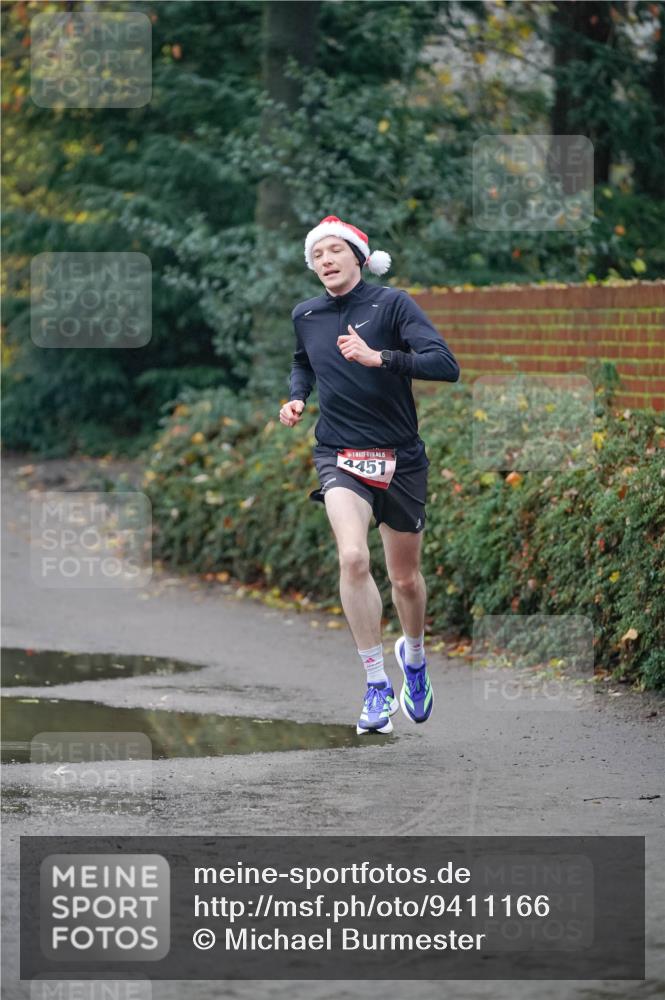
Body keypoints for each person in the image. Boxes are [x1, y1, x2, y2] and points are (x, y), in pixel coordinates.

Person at [279, 215, 460, 735]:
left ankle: (416, 659)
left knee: (405, 579)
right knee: (354, 557)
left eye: (335, 250)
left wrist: (378, 357)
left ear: (358, 256)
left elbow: (445, 365)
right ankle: (377, 684)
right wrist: (297, 397)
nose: (326, 261)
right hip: (339, 454)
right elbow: (303, 362)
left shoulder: (392, 303)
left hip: (400, 457)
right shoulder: (307, 313)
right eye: (317, 255)